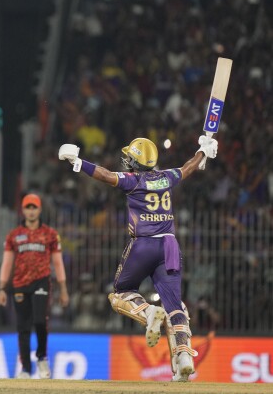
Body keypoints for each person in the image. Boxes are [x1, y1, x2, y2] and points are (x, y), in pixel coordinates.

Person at [57, 135, 218, 382]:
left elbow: (104, 174)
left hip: (143, 244)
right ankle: (184, 355)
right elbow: (188, 168)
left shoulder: (133, 180)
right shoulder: (166, 177)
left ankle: (147, 314)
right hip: (169, 245)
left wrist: (78, 161)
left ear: (135, 160)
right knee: (176, 306)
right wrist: (202, 153)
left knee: (120, 292)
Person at [0, 193, 69, 379]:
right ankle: (26, 369)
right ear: (22, 210)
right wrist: (2, 288)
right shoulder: (14, 236)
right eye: (27, 207)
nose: (30, 211)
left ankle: (42, 358)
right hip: (19, 284)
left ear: (40, 209)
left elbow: (58, 263)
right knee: (23, 327)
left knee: (39, 321)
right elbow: (7, 263)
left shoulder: (50, 234)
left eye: (33, 207)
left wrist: (63, 288)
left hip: (41, 281)